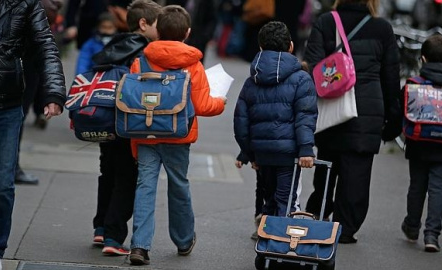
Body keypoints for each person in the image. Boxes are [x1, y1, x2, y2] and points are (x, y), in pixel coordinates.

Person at [127, 5, 226, 266]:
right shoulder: (193, 65)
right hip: (178, 134)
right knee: (179, 184)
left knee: (145, 186)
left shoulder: (141, 60)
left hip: (146, 131)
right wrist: (221, 101)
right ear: (188, 32)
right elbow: (203, 106)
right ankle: (183, 240)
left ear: (158, 30)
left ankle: (139, 246)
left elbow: (132, 98)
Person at [303, 0, 401, 244]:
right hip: (367, 110)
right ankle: (345, 228)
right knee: (357, 171)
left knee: (327, 163)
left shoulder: (326, 22)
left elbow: (313, 66)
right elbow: (391, 76)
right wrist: (393, 118)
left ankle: (318, 210)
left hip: (331, 107)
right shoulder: (382, 29)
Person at [87, 0, 162, 256]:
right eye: (156, 24)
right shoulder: (144, 52)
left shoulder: (114, 45)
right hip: (129, 124)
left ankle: (100, 227)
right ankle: (114, 236)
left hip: (105, 119)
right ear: (143, 24)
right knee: (127, 178)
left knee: (107, 172)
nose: (160, 29)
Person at [0, 1, 66, 269]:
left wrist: (53, 93)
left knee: (2, 185)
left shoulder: (25, 4)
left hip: (7, 103)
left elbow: (45, 46)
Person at [234, 21, 317, 219]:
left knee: (268, 198)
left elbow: (241, 122)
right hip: (288, 155)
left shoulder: (251, 81)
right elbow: (305, 117)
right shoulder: (302, 79)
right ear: (290, 46)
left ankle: (266, 239)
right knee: (286, 200)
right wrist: (306, 148)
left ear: (261, 47)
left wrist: (248, 152)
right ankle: (280, 242)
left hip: (262, 154)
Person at [400, 35, 442, 253]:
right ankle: (432, 235)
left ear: (422, 59)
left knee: (417, 186)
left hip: (418, 142)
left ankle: (412, 227)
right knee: (439, 188)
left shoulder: (414, 85)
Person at [15, 0, 64, 185]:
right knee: (15, 115)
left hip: (26, 58)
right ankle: (12, 167)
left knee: (16, 115)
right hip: (19, 58)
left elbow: (48, 53)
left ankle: (12, 166)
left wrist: (53, 94)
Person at [166, 0, 218, 64]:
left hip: (198, 38)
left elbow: (212, 19)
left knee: (195, 63)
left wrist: (206, 36)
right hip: (177, 34)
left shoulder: (206, 2)